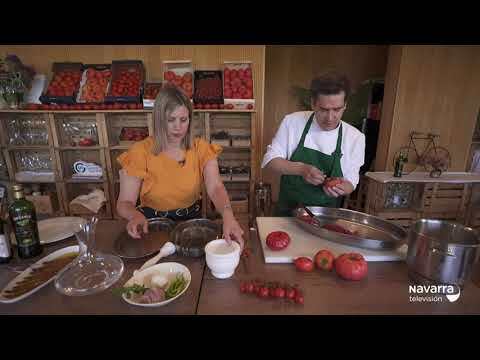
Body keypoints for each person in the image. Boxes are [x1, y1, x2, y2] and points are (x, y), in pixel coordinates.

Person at [116, 86, 244, 249]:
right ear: (159, 120)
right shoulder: (140, 151)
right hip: (151, 226)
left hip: (191, 226)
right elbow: (124, 202)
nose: (178, 127)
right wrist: (134, 216)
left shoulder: (201, 148)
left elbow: (216, 187)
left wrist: (228, 215)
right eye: (171, 120)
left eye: (183, 120)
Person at [262, 71, 365, 216]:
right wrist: (301, 169)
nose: (330, 117)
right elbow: (270, 161)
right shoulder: (293, 122)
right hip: (288, 214)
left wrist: (341, 187)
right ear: (313, 103)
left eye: (337, 109)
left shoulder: (355, 137)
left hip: (326, 218)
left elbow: (351, 182)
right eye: (323, 109)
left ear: (345, 105)